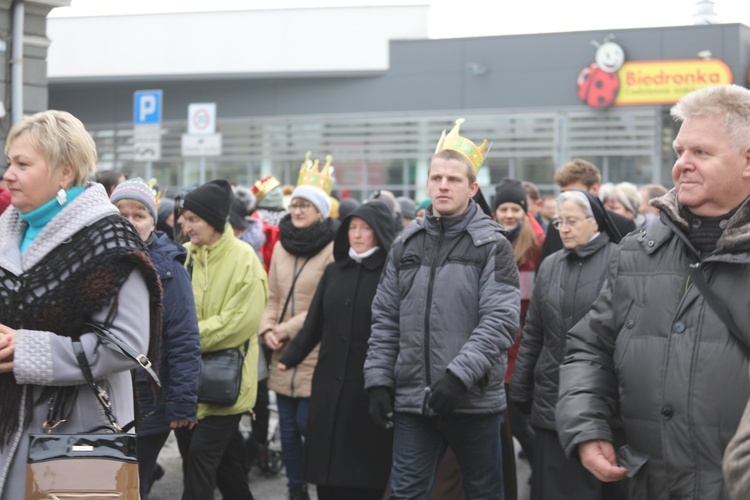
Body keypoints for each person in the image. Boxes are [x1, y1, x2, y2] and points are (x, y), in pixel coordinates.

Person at [555, 84, 750, 499]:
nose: (682, 165)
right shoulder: (640, 249)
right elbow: (589, 348)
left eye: (701, 152)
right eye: (680, 151)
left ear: (748, 160)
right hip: (648, 484)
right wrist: (586, 427)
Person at [0, 110, 161, 499]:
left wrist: (29, 350)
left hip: (77, 437)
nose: (8, 174)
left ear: (64, 173)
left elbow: (127, 344)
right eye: (9, 162)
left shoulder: (110, 240)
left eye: (23, 164)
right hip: (9, 427)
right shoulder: (8, 228)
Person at [364, 118, 521, 499]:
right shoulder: (407, 243)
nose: (443, 185)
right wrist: (379, 380)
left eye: (453, 179)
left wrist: (458, 376)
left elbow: (500, 321)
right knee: (405, 493)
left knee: (483, 492)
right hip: (414, 399)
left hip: (472, 400)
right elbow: (385, 318)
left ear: (472, 187)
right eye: (436, 178)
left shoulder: (492, 245)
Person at [510, 190, 625, 500]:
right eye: (559, 222)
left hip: (602, 401)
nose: (564, 229)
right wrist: (519, 390)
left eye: (572, 221)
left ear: (595, 222)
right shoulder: (550, 265)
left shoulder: (620, 260)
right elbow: (533, 331)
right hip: (552, 400)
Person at [278, 202, 395, 500]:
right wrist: (289, 358)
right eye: (352, 228)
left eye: (365, 229)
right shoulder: (334, 270)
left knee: (361, 468)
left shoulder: (389, 273)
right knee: (326, 467)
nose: (357, 235)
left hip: (366, 384)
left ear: (379, 233)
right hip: (328, 382)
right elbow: (315, 321)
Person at [174, 179, 268, 500]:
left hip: (226, 387)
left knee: (199, 460)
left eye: (193, 219)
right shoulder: (182, 256)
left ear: (213, 221)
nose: (185, 226)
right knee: (228, 471)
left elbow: (238, 324)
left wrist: (185, 338)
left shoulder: (245, 259)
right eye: (183, 219)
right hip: (187, 385)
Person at [110, 178, 201, 500]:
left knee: (133, 485)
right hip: (103, 394)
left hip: (147, 400)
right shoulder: (95, 260)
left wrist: (181, 402)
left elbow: (184, 338)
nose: (131, 223)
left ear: (152, 221)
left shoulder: (169, 269)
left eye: (139, 215)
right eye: (122, 215)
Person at [260, 152, 339, 500]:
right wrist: (267, 329)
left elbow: (323, 305)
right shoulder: (281, 246)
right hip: (280, 348)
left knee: (310, 425)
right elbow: (272, 295)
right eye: (295, 204)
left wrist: (285, 329)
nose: (298, 210)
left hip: (314, 349)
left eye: (306, 205)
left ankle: (321, 482)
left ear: (321, 210)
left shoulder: (333, 248)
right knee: (289, 430)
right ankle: (295, 489)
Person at [492, 178, 545, 465]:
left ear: (525, 212)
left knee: (521, 425)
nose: (509, 214)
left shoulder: (536, 246)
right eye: (504, 209)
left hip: (522, 352)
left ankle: (540, 476)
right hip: (493, 352)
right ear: (495, 212)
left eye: (515, 208)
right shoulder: (486, 242)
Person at [538, 159, 636, 263]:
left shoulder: (622, 225)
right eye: (563, 193)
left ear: (594, 189)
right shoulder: (556, 227)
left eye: (574, 193)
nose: (567, 198)